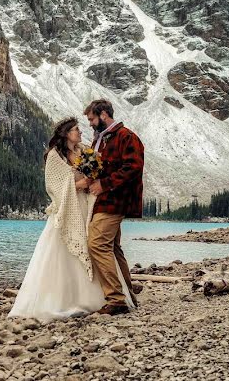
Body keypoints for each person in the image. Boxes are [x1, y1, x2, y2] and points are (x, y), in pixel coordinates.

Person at [8, 117, 134, 321]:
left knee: (92, 245)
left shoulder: (85, 151)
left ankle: (101, 297)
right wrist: (79, 184)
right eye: (76, 130)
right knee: (62, 253)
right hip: (67, 208)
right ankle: (60, 299)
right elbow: (53, 187)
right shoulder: (54, 156)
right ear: (66, 133)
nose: (80, 132)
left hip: (85, 206)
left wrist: (91, 180)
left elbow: (98, 171)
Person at [84, 99, 144, 316]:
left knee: (97, 244)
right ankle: (127, 295)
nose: (90, 123)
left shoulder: (126, 136)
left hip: (115, 201)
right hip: (104, 201)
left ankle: (116, 299)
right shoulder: (101, 139)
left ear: (103, 114)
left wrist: (104, 184)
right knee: (113, 248)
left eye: (91, 119)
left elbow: (134, 167)